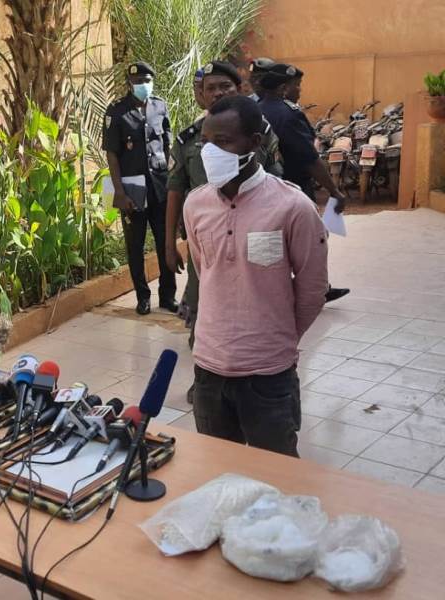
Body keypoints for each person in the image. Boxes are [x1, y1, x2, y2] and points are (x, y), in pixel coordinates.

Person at [183, 95, 328, 457]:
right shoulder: (195, 204)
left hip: (269, 376)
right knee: (219, 473)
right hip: (209, 371)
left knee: (277, 479)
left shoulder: (292, 206)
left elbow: (313, 289)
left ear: (255, 142)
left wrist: (276, 336)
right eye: (206, 142)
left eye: (224, 142)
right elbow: (207, 270)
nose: (210, 152)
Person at [165, 61, 283, 403]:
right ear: (200, 95)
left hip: (254, 235)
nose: (217, 93)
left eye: (225, 87)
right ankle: (205, 376)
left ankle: (259, 377)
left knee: (256, 305)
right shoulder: (188, 139)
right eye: (210, 88)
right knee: (203, 309)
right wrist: (170, 244)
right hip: (208, 243)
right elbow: (175, 189)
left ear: (239, 90)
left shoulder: (259, 130)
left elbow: (277, 176)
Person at [258, 64, 350, 303]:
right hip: (295, 188)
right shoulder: (289, 114)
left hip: (264, 190)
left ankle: (279, 292)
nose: (299, 90)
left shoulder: (255, 110)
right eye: (296, 86)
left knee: (274, 243)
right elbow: (309, 158)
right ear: (283, 88)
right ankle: (315, 291)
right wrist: (334, 190)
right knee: (312, 240)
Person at [103, 61, 177, 316]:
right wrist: (119, 193)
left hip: (159, 186)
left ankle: (168, 296)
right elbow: (112, 155)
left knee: (165, 241)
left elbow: (167, 144)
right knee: (135, 246)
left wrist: (170, 178)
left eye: (146, 81)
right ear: (129, 84)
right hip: (132, 190)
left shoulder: (160, 106)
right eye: (137, 82)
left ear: (152, 81)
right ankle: (142, 297)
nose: (142, 85)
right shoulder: (116, 112)